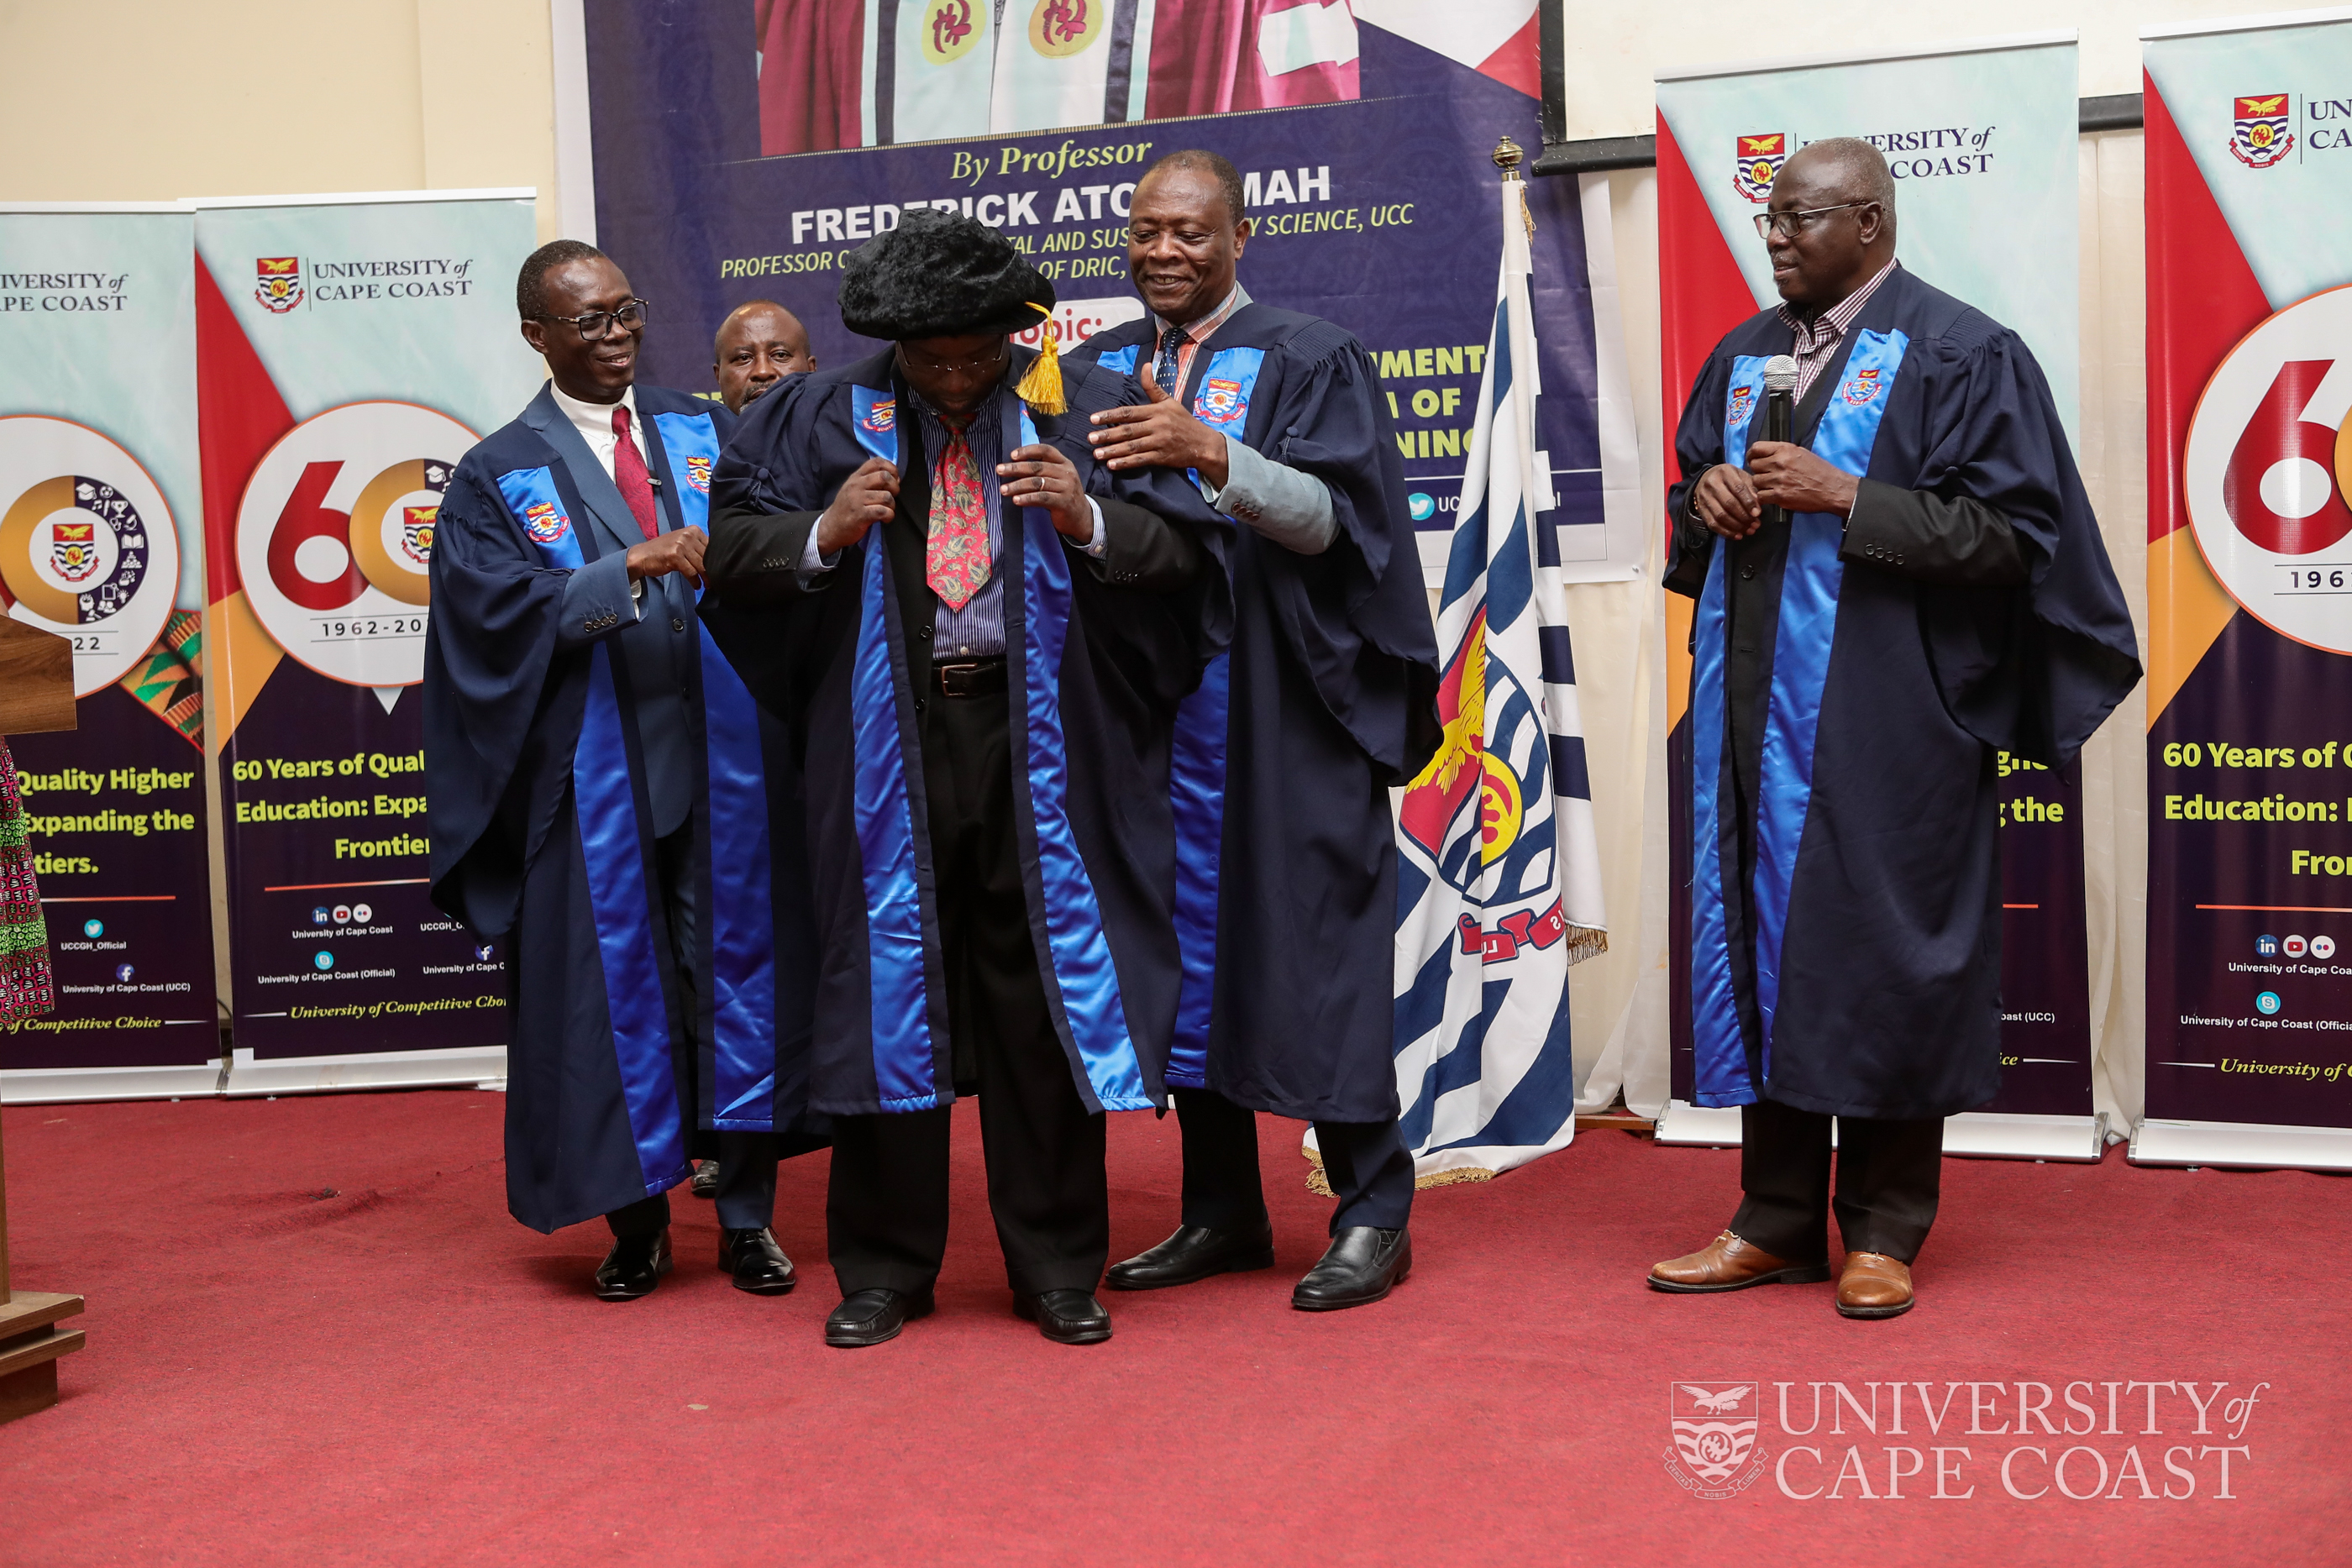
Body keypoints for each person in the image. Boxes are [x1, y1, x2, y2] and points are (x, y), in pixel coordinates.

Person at [701, 207, 1217, 1349]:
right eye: (931, 361)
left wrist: (1087, 518)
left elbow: (1186, 557)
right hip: (884, 740)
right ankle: (885, 1267)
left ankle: (1056, 1266)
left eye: (977, 355)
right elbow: (726, 554)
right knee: (882, 985)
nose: (955, 377)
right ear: (893, 346)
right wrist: (825, 532)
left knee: (1039, 990)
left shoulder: (1081, 405)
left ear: (1012, 334)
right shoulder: (810, 414)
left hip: (1044, 743)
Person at [1649, 140, 2139, 1318]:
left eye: (1798, 220)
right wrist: (1706, 499)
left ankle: (1881, 1225)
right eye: (1767, 220)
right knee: (1764, 946)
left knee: (1879, 954)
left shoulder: (1965, 352)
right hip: (1747, 714)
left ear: (1869, 223)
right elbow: (1690, 497)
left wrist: (1848, 497)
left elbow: (2022, 541)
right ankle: (1772, 1217)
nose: (1773, 239)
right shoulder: (1744, 354)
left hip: (1893, 717)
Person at [1070, 149, 1440, 1311]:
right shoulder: (1089, 371)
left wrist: (1213, 453)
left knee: (1320, 941)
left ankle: (1374, 1203)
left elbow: (1339, 520)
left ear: (1241, 238)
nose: (1164, 250)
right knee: (1188, 954)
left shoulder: (1305, 354)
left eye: (1190, 230)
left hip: (1288, 699)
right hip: (1152, 711)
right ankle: (1223, 1205)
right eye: (1145, 230)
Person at [424, 240, 823, 1302]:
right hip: (591, 779)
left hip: (727, 764)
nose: (614, 335)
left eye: (626, 312)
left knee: (736, 978)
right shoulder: (498, 470)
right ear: (536, 337)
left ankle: (745, 1217)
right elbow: (482, 613)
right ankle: (638, 1222)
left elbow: (785, 541)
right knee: (607, 1003)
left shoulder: (707, 428)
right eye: (588, 320)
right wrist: (621, 567)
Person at [714, 301, 816, 414]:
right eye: (743, 358)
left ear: (810, 369)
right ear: (718, 376)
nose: (762, 372)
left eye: (780, 355)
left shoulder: (836, 430)